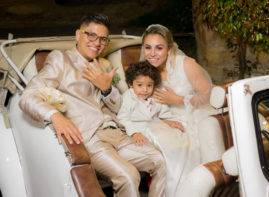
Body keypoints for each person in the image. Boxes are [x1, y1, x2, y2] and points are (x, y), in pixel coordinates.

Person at [19, 13, 166, 197]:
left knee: (160, 160)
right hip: (91, 139)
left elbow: (120, 107)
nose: (97, 43)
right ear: (78, 35)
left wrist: (106, 89)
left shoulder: (103, 65)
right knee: (129, 176)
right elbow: (27, 97)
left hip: (117, 133)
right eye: (91, 35)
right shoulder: (61, 60)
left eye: (103, 39)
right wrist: (54, 116)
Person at [140, 24, 219, 196]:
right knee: (152, 132)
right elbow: (143, 104)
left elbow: (208, 94)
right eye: (148, 47)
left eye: (159, 48)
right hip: (167, 120)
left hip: (195, 116)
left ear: (169, 50)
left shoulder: (186, 65)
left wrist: (177, 99)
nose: (152, 53)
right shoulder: (145, 72)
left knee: (184, 151)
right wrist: (164, 120)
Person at [117, 61, 184, 146]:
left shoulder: (154, 96)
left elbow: (164, 112)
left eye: (149, 85)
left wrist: (168, 121)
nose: (145, 90)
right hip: (138, 129)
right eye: (140, 85)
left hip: (156, 127)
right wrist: (134, 133)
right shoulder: (128, 96)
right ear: (131, 84)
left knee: (176, 136)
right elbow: (123, 118)